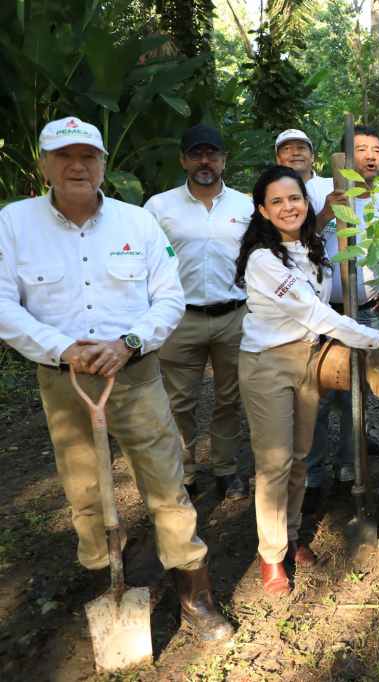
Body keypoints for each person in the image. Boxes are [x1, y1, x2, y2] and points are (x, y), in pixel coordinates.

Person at [0, 116, 233, 641]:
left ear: (104, 164)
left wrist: (126, 343)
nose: (77, 166)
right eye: (64, 156)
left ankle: (195, 594)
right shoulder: (14, 223)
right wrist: (64, 348)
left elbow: (169, 296)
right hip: (64, 382)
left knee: (167, 484)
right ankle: (109, 575)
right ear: (44, 165)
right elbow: (2, 304)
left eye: (88, 156)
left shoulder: (137, 223)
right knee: (83, 490)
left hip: (135, 375)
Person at [234, 165, 379, 595]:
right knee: (274, 462)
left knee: (298, 455)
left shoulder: (313, 247)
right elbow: (314, 313)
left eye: (293, 198)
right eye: (276, 201)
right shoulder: (263, 259)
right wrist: (376, 338)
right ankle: (271, 554)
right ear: (262, 210)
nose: (287, 206)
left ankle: (290, 535)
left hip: (308, 359)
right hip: (268, 365)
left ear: (305, 202)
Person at [145, 124, 250, 500]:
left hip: (233, 316)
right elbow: (145, 261)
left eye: (212, 154)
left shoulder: (245, 205)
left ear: (223, 160)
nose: (205, 161)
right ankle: (184, 472)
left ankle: (225, 468)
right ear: (183, 159)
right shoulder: (159, 207)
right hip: (180, 318)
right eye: (196, 154)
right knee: (178, 401)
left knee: (230, 397)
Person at [304, 124, 379, 507]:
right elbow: (301, 240)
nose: (370, 156)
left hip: (369, 313)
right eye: (361, 149)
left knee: (357, 395)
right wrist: (327, 211)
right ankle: (311, 476)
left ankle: (349, 468)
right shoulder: (319, 192)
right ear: (344, 156)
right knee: (317, 396)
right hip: (327, 314)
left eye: (376, 149)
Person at [274, 128, 338, 230]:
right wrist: (325, 214)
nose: (295, 153)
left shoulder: (334, 186)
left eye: (301, 148)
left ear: (312, 157)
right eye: (287, 149)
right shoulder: (271, 195)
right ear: (278, 159)